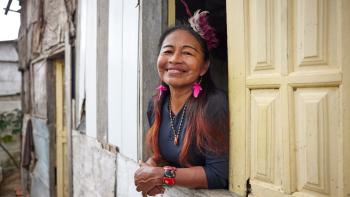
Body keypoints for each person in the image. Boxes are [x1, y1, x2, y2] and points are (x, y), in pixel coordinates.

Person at [134, 8, 229, 197]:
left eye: (187, 53)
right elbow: (167, 156)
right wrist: (152, 165)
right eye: (168, 51)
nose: (175, 59)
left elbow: (218, 174)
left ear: (204, 67)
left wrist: (162, 176)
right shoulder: (156, 105)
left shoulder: (213, 104)